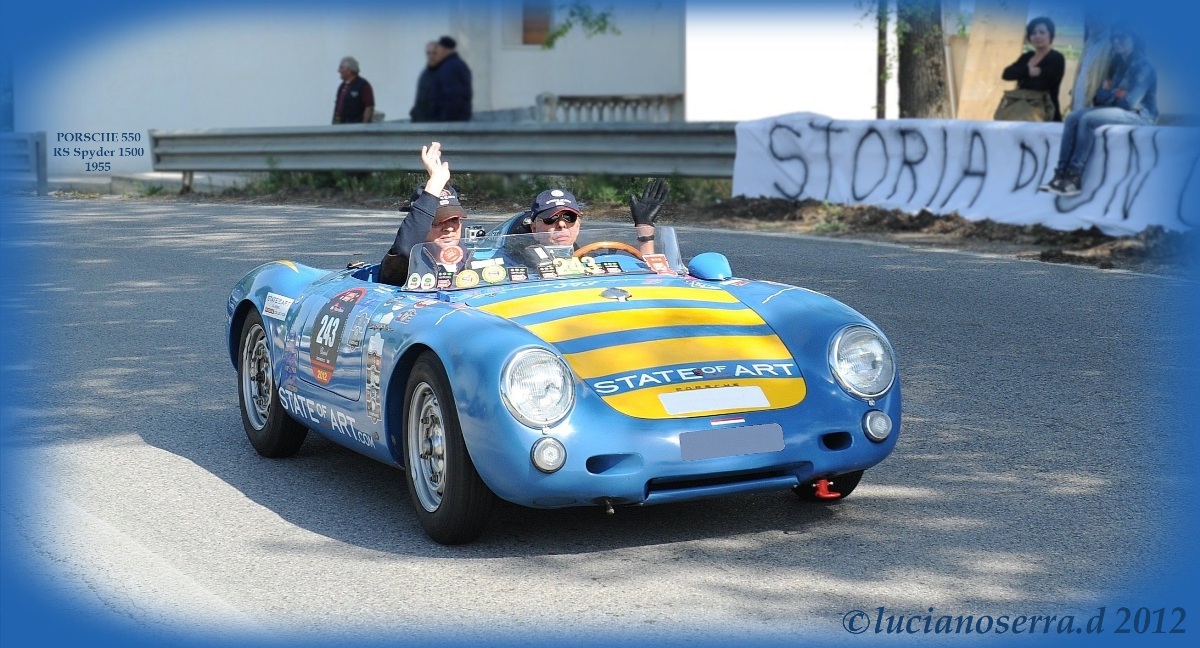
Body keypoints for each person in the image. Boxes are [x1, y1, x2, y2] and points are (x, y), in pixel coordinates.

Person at [1040, 24, 1158, 197]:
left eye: (1122, 37)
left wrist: (1110, 92)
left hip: (1140, 116)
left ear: (1134, 39)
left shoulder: (1143, 66)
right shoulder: (1117, 64)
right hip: (1116, 109)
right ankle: (1060, 175)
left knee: (1088, 120)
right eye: (1113, 38)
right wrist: (1116, 93)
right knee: (1073, 117)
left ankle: (1074, 178)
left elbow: (1129, 103)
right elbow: (1098, 97)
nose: (1116, 42)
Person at [378, 142, 467, 286]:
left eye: (454, 219)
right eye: (437, 222)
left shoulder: (470, 259)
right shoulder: (405, 266)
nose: (449, 228)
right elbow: (404, 250)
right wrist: (436, 182)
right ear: (422, 224)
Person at [510, 179, 670, 257]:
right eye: (550, 218)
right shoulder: (516, 262)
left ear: (578, 225)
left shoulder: (593, 260)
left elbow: (649, 280)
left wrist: (645, 230)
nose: (562, 224)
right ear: (534, 229)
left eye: (569, 217)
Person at [1001, 17, 1066, 121]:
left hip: (1045, 113)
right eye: (1033, 33)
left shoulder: (1056, 58)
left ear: (1050, 35)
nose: (1037, 36)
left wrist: (1021, 73)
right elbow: (1006, 74)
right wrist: (1028, 71)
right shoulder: (1027, 56)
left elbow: (1042, 84)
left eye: (1042, 32)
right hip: (1020, 110)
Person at [429, 36, 473, 122]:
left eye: (438, 50)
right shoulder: (458, 64)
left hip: (450, 123)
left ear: (446, 50)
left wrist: (444, 121)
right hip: (459, 120)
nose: (436, 53)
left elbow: (453, 96)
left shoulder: (449, 68)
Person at [332, 56, 376, 124]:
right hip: (341, 125)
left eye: (341, 68)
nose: (338, 71)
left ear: (349, 70)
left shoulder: (362, 85)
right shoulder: (342, 86)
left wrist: (364, 127)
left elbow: (369, 107)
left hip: (355, 126)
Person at [409, 42, 440, 122]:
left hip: (436, 123)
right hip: (422, 122)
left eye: (434, 53)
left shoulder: (445, 73)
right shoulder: (425, 75)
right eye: (428, 53)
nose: (431, 56)